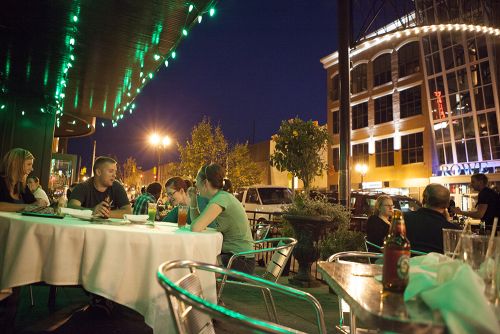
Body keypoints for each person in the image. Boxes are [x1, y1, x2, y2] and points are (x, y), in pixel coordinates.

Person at [188, 164, 255, 274]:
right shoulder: (221, 197)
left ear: (205, 183)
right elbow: (198, 223)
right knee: (202, 258)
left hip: (241, 260)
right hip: (235, 256)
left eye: (196, 181)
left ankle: (200, 290)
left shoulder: (221, 199)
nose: (195, 184)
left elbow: (196, 227)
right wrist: (193, 200)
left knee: (200, 263)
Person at [405, 184, 459, 254]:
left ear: (424, 199)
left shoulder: (403, 220)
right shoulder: (454, 231)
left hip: (406, 263)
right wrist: (447, 222)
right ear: (447, 204)